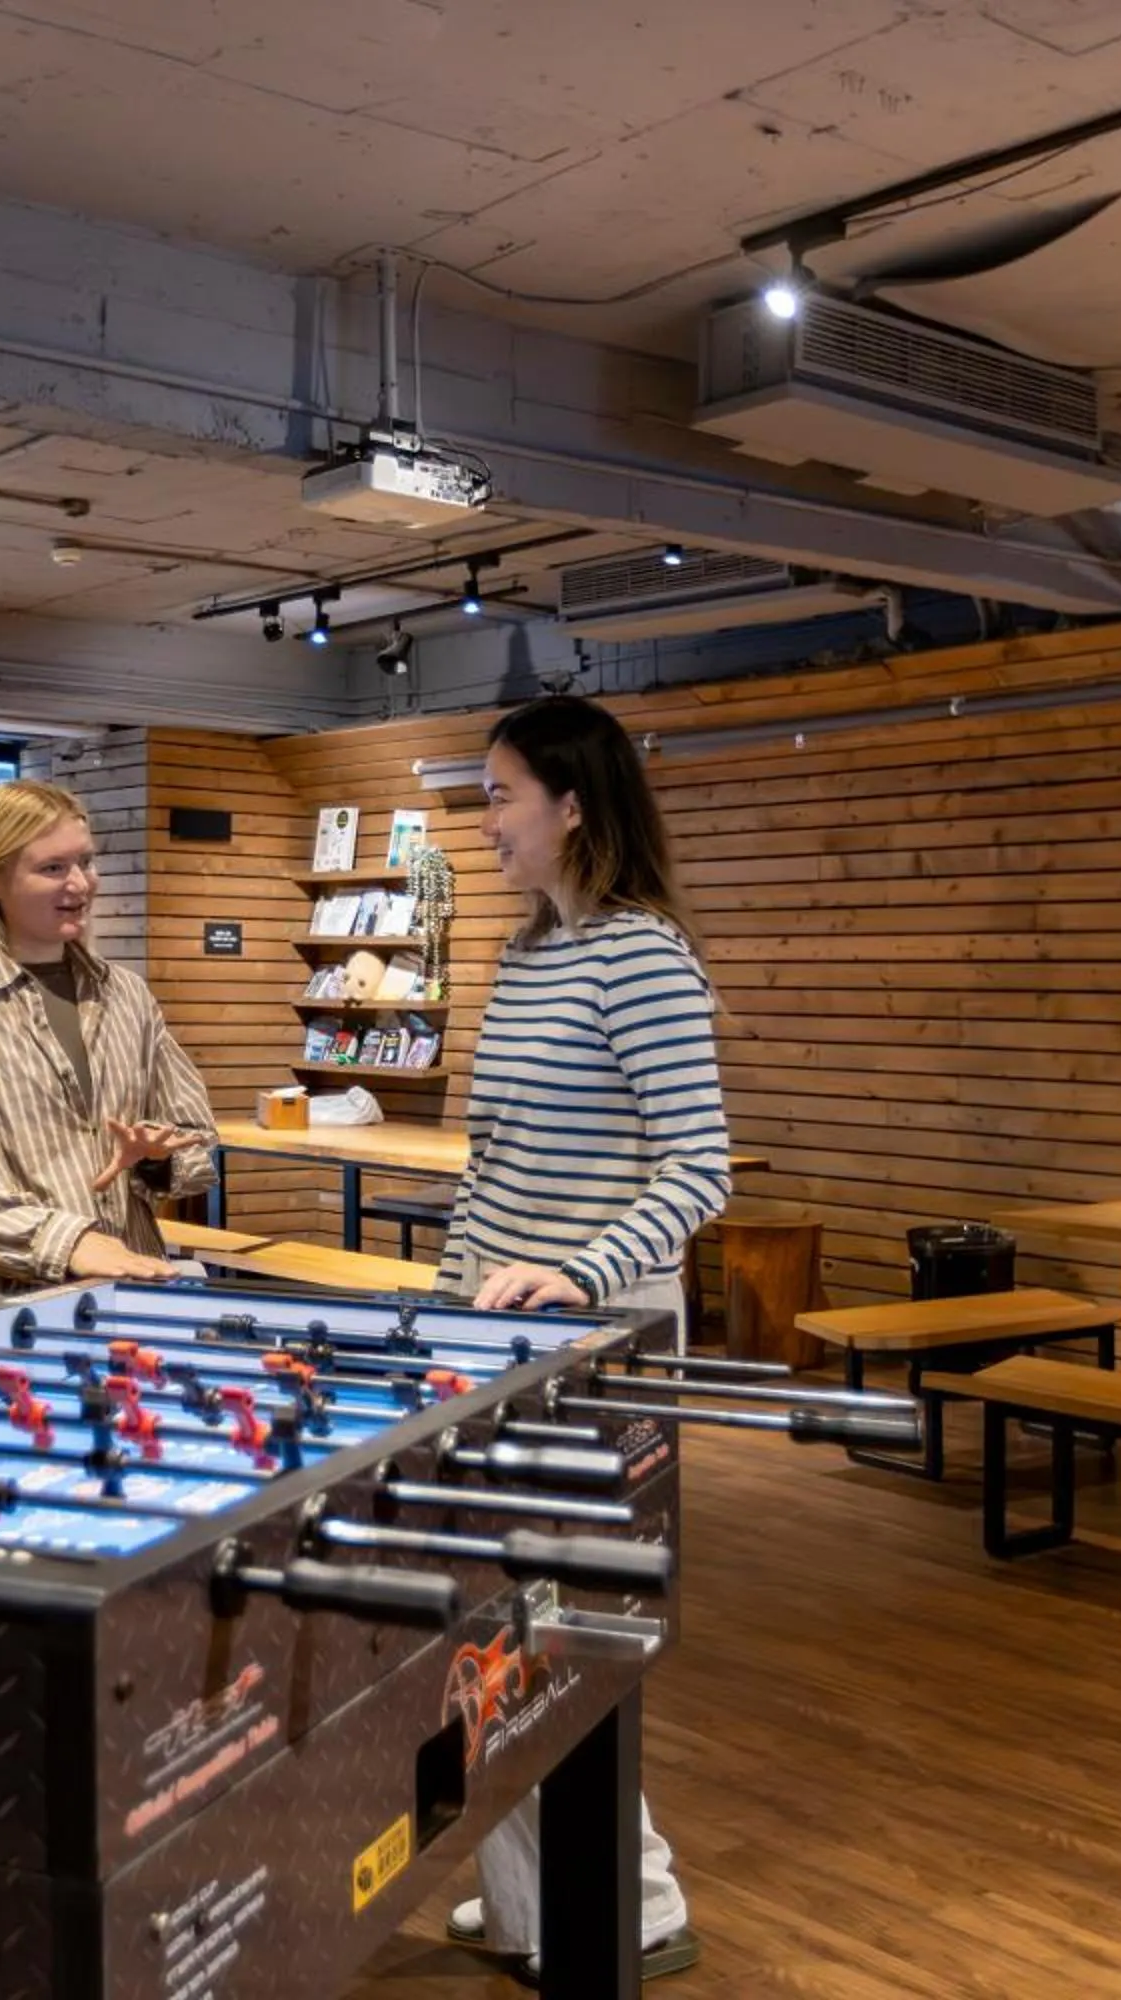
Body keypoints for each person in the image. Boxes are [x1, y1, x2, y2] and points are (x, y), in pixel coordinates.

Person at [440, 693, 729, 1985]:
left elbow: (699, 1172)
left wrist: (578, 1271)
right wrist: (455, 1298)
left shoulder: (643, 956)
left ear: (571, 805)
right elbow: (493, 1166)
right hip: (496, 1336)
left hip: (596, 1341)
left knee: (562, 1619)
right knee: (495, 1614)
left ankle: (630, 1895)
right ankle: (529, 1891)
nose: (483, 817)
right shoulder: (525, 956)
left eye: (499, 794)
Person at [0, 778, 218, 1300]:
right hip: (4, 1310)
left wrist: (154, 1158)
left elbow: (196, 1135)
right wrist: (68, 1242)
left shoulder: (126, 996)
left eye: (86, 862)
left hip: (132, 1294)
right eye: (53, 868)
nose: (81, 885)